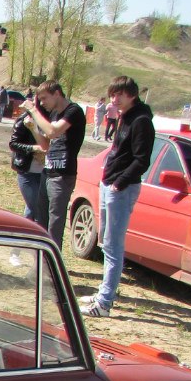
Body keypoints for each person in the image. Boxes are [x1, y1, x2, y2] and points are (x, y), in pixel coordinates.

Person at [80, 77, 155, 318]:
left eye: (120, 94)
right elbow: (119, 151)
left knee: (113, 246)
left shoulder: (142, 121)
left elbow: (141, 160)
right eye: (113, 94)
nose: (115, 99)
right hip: (109, 183)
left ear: (132, 95)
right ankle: (104, 291)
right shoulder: (126, 116)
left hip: (121, 189)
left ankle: (105, 303)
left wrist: (119, 183)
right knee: (105, 241)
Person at [20, 80, 86, 249]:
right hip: (48, 170)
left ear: (57, 93)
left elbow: (52, 131)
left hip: (63, 174)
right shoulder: (55, 114)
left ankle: (52, 264)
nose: (42, 103)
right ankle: (42, 258)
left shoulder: (73, 111)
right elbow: (46, 144)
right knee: (41, 219)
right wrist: (33, 128)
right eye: (39, 100)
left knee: (55, 222)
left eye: (44, 98)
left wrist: (34, 110)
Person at [9, 106, 48, 231]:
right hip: (27, 172)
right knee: (36, 209)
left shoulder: (50, 121)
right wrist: (33, 148)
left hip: (43, 173)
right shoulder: (24, 120)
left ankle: (18, 247)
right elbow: (13, 144)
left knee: (31, 211)